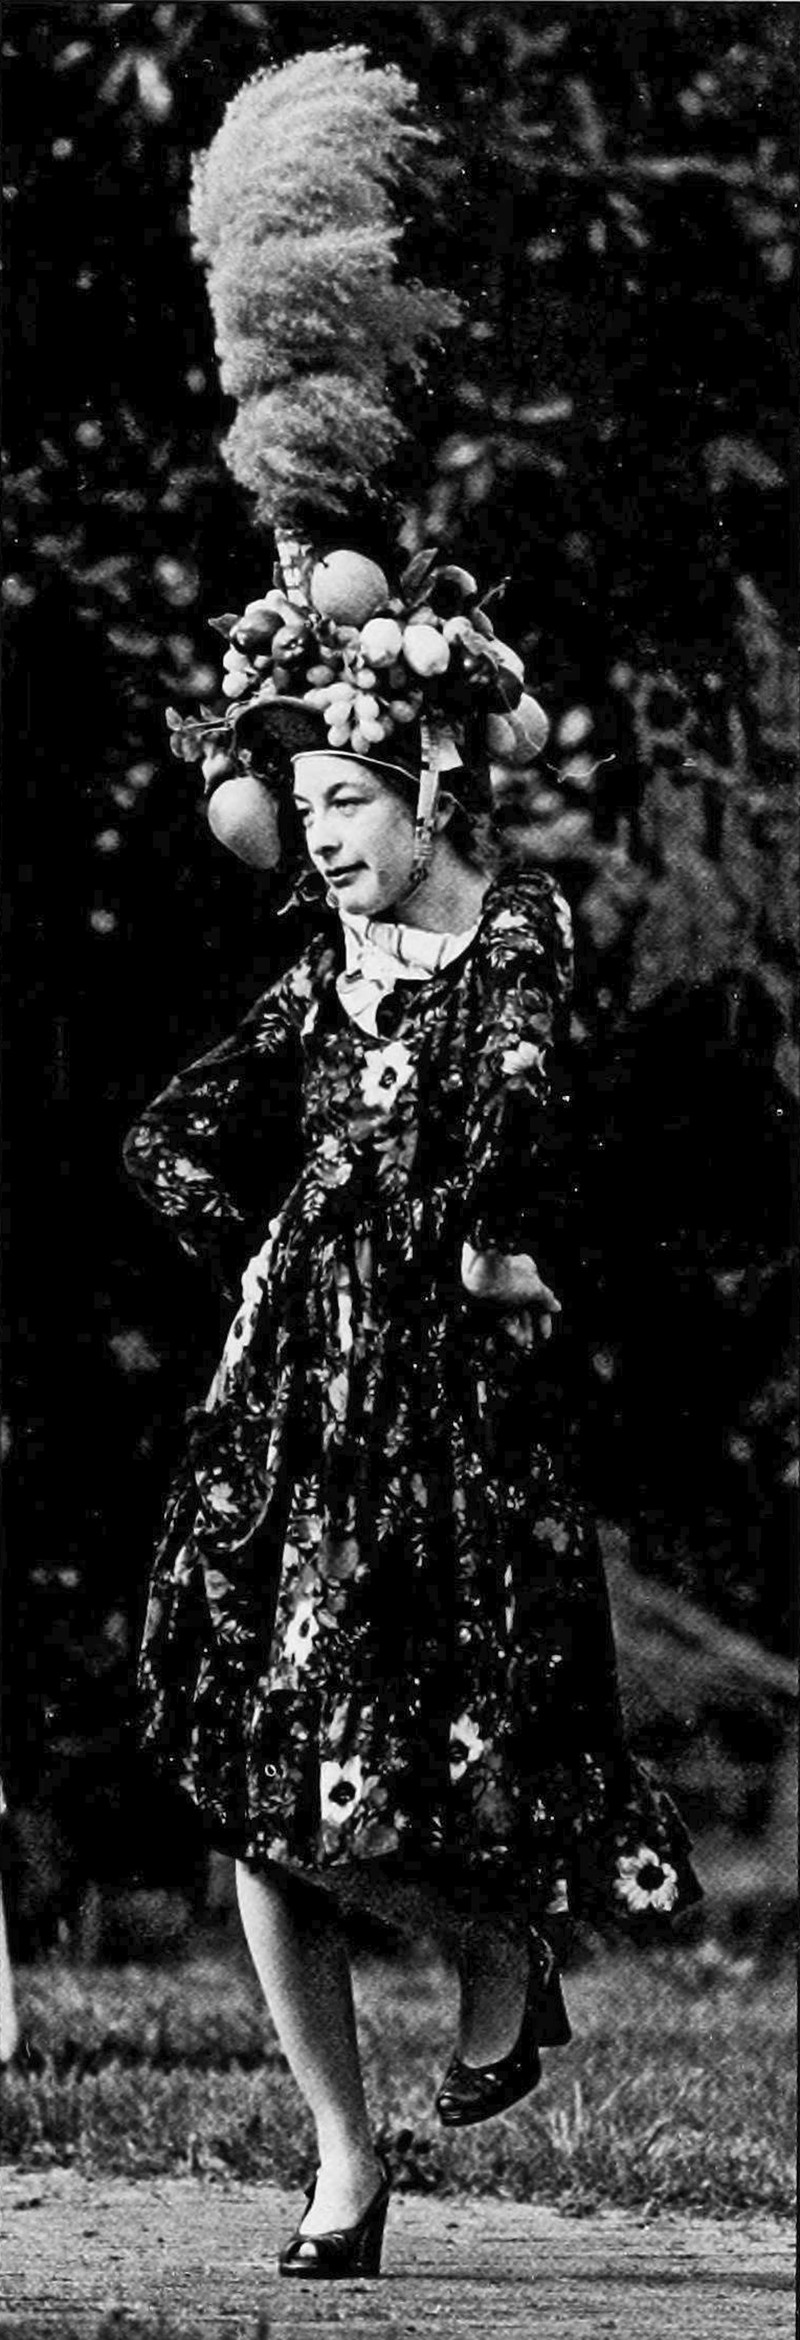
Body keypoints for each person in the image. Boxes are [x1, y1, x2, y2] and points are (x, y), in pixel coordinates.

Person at [124, 552, 701, 2280]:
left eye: (349, 801)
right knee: (256, 1791)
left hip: (444, 1419)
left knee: (397, 1770)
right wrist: (259, 1251)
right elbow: (170, 1134)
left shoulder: (512, 928)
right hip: (297, 1411)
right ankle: (344, 2164)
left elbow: (519, 1090)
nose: (318, 836)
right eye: (302, 805)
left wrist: (486, 1235)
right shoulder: (320, 971)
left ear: (433, 789)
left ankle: (499, 1947)